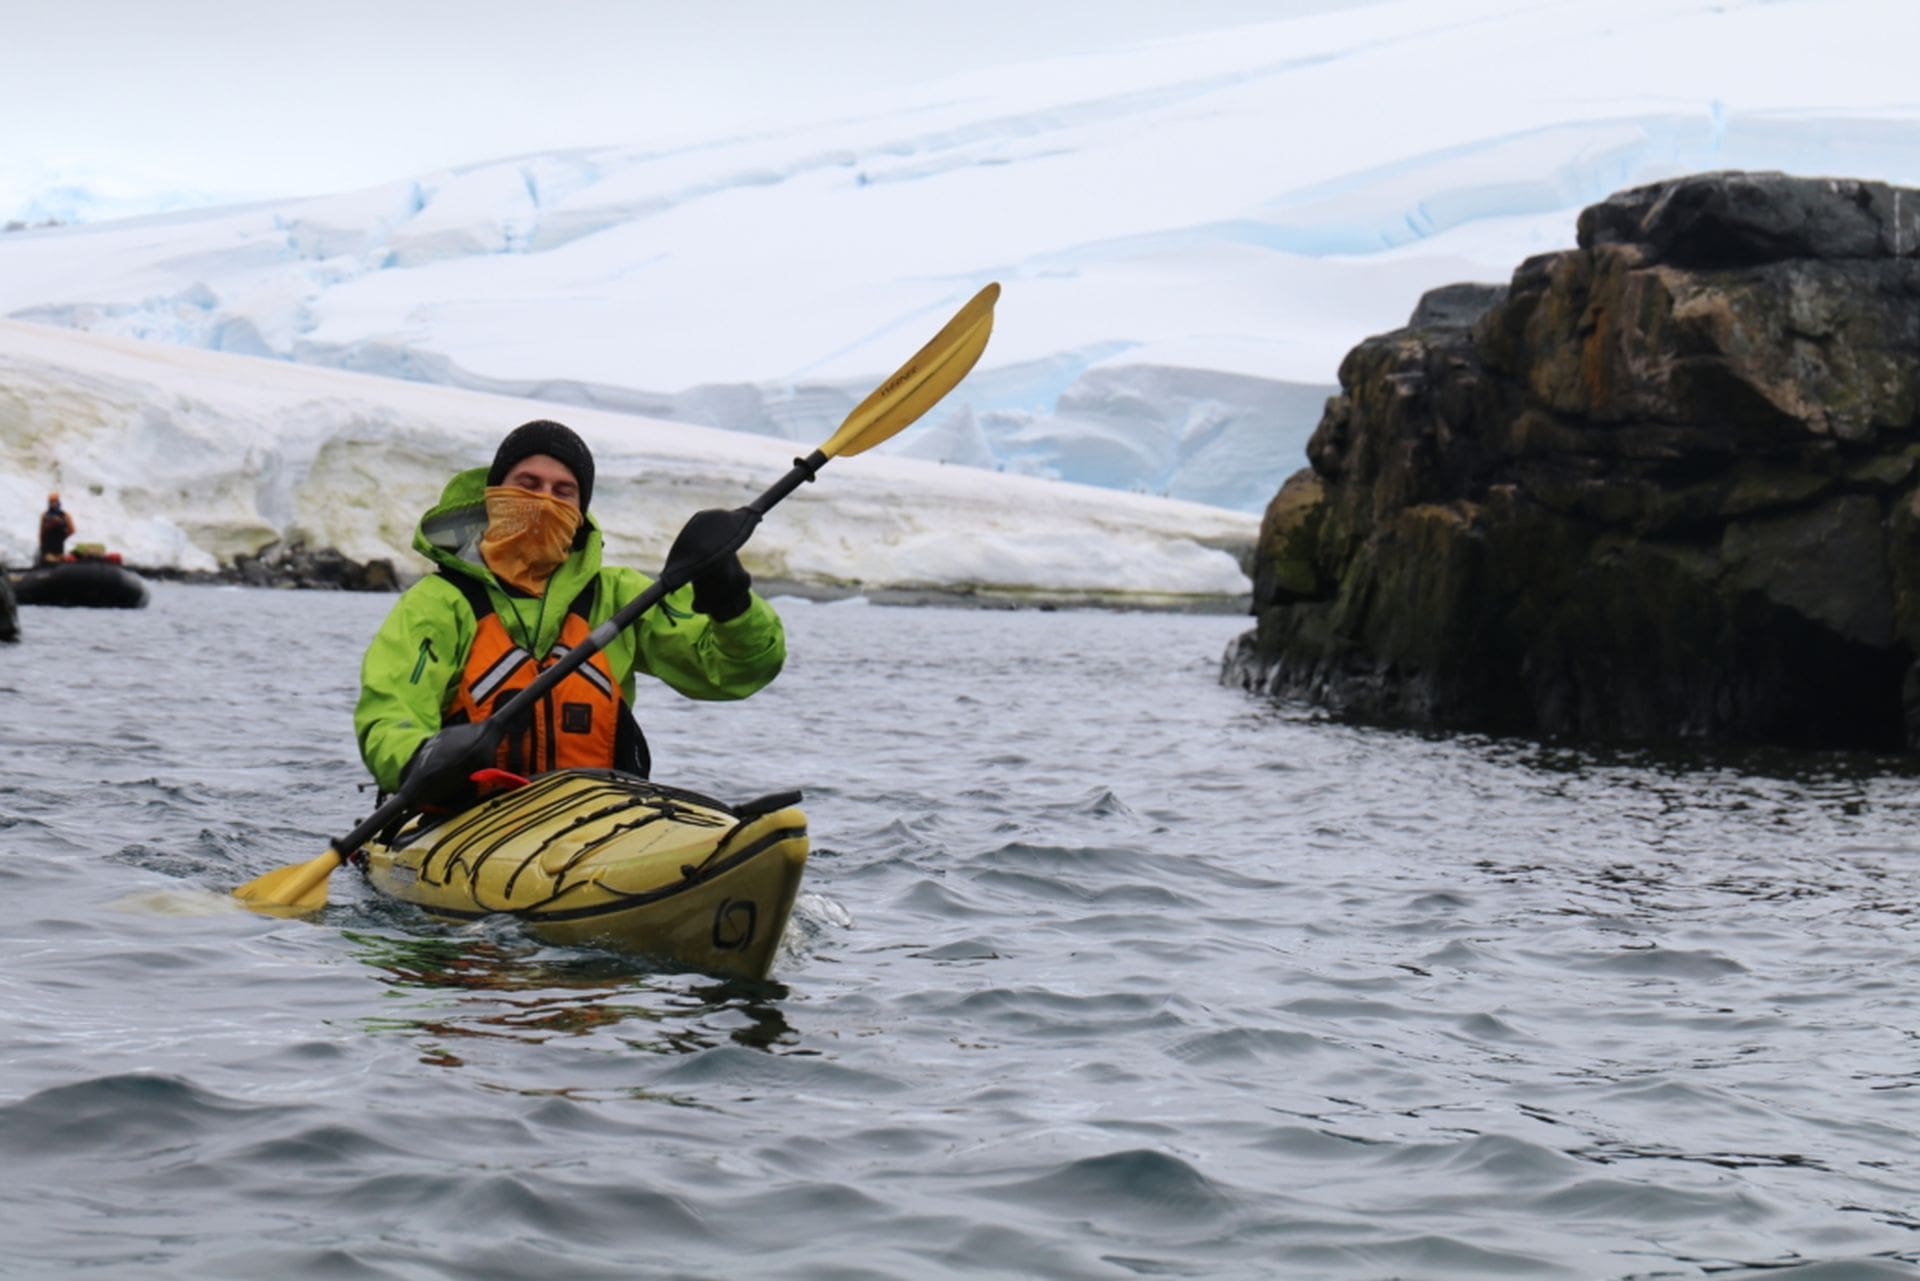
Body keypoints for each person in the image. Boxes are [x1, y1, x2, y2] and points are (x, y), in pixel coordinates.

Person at [353, 419, 785, 805]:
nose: (544, 501)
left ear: (580, 513)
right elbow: (391, 712)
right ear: (493, 496)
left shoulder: (619, 596)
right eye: (527, 484)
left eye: (563, 491)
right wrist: (416, 758)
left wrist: (728, 597)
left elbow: (733, 672)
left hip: (595, 815)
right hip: (464, 816)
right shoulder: (437, 603)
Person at [37, 492, 74, 564]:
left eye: (55, 501)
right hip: (47, 547)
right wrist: (41, 544)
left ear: (58, 502)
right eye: (51, 502)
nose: (53, 503)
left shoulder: (65, 516)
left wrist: (63, 536)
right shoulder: (45, 515)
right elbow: (42, 532)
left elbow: (72, 530)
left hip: (59, 547)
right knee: (49, 562)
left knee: (58, 563)